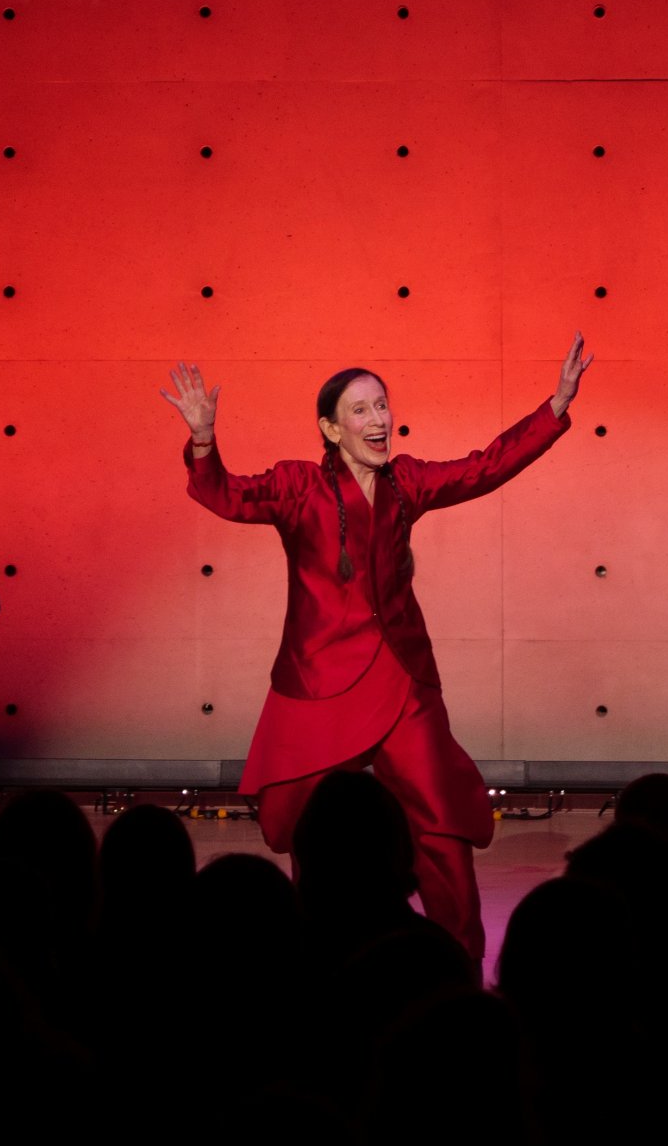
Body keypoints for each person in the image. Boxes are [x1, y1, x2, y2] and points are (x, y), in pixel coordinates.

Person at [162, 336, 592, 959]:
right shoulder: (298, 485)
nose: (378, 419)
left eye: (382, 406)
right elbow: (227, 495)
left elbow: (485, 466)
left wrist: (554, 407)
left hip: (401, 677)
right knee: (312, 828)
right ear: (331, 429)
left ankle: (457, 961)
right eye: (360, 410)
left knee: (440, 822)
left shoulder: (406, 481)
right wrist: (203, 440)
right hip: (319, 680)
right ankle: (319, 956)